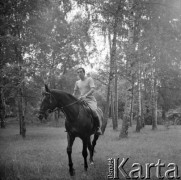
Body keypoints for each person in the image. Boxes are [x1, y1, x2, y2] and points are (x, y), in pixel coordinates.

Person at [73, 67, 102, 135]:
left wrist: (85, 95)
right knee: (72, 110)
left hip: (90, 99)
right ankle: (72, 127)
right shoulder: (77, 82)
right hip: (81, 99)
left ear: (84, 72)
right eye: (78, 72)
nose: (79, 73)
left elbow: (92, 89)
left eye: (80, 72)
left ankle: (98, 128)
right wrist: (73, 97)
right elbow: (74, 92)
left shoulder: (89, 79)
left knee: (93, 110)